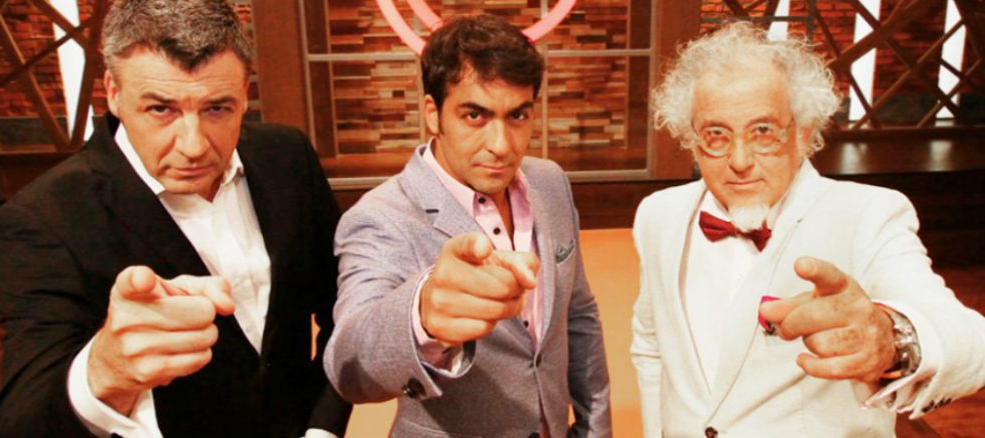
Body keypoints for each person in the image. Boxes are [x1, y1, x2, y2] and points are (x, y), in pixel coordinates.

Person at [0, 1, 351, 436]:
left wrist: (322, 428)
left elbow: (345, 308)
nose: (193, 146)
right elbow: (21, 422)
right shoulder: (42, 219)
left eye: (217, 108)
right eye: (161, 109)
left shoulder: (286, 157)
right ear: (114, 93)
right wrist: (103, 372)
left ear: (244, 92)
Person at [630, 21, 985, 436]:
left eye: (763, 132)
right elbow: (650, 347)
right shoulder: (658, 215)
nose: (740, 160)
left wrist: (892, 341)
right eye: (717, 135)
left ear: (803, 132)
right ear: (692, 139)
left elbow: (971, 342)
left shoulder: (868, 215)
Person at [323, 14, 612, 437]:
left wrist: (594, 429)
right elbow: (349, 365)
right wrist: (421, 317)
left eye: (517, 116)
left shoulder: (549, 182)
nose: (501, 145)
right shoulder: (381, 216)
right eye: (475, 116)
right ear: (433, 113)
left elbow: (578, 315)